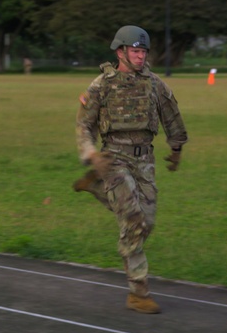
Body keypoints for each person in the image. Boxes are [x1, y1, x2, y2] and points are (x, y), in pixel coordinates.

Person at [74, 25, 188, 314]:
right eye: (135, 51)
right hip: (113, 159)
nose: (140, 56)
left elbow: (172, 116)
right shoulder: (100, 85)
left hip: (145, 160)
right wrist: (90, 154)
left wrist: (176, 149)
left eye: (143, 52)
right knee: (134, 220)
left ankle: (97, 186)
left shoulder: (154, 84)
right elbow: (84, 126)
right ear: (120, 52)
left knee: (146, 222)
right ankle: (139, 291)